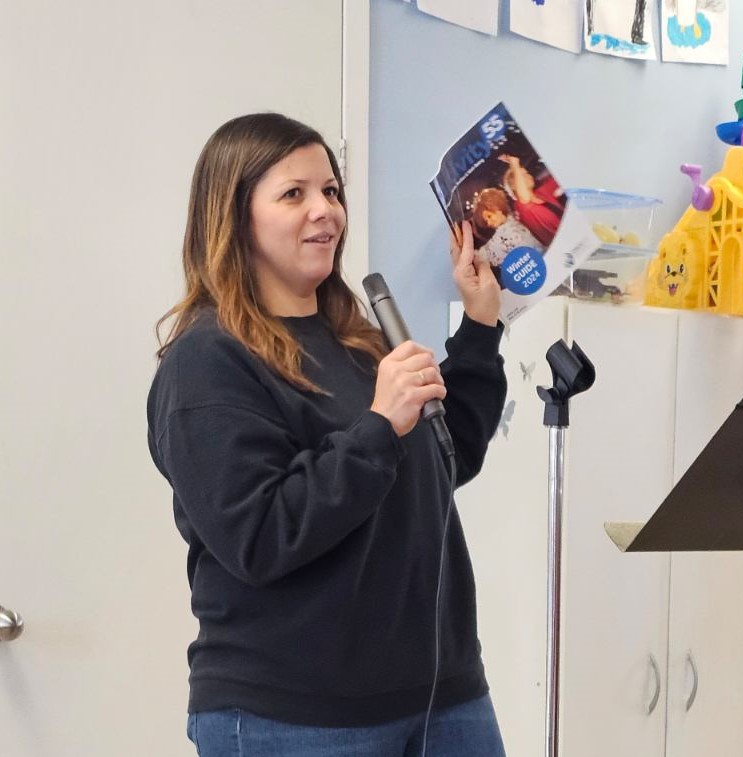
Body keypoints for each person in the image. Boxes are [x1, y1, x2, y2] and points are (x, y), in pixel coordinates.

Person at [146, 113, 508, 757]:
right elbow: (259, 537)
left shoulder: (359, 342)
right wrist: (377, 426)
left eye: (332, 191)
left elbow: (446, 462)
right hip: (294, 715)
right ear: (234, 217)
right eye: (295, 193)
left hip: (443, 697)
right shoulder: (207, 362)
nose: (326, 211)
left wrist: (480, 329)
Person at [499, 153, 565, 246]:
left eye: (527, 173)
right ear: (515, 185)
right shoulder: (521, 208)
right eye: (524, 175)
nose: (529, 175)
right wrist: (514, 164)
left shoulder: (541, 193)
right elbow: (524, 197)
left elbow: (559, 176)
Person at [470, 186, 545, 268]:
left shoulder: (508, 231)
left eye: (489, 216)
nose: (489, 223)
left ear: (497, 208)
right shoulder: (513, 220)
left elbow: (486, 254)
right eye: (486, 222)